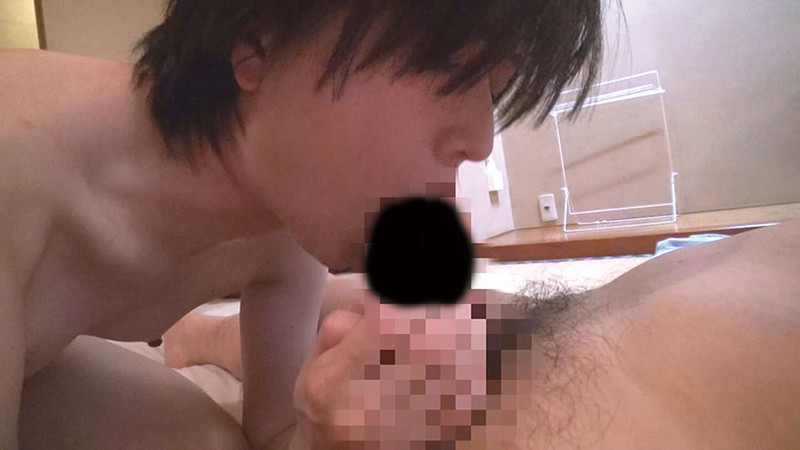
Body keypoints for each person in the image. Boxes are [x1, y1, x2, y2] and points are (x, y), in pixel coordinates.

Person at [0, 1, 605, 449]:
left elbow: (274, 431)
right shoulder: (19, 171)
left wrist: (327, 427)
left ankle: (202, 333)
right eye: (453, 65)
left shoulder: (284, 212)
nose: (480, 140)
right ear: (256, 45)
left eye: (494, 92)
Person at [164, 221, 800, 449]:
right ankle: (218, 329)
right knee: (438, 307)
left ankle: (209, 333)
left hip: (568, 380)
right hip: (587, 313)